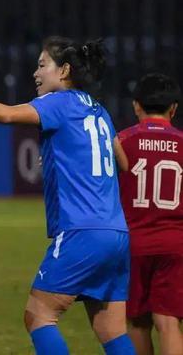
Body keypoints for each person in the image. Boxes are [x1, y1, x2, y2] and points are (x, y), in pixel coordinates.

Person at [0, 36, 136, 355]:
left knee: (39, 316)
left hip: (81, 231)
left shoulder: (59, 102)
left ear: (64, 71)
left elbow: (6, 115)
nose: (35, 72)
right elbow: (123, 163)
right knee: (111, 330)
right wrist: (68, 156)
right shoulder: (99, 110)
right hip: (116, 233)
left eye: (42, 64)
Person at [117, 73, 183, 355]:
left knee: (137, 323)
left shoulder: (122, 141)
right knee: (168, 323)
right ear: (173, 108)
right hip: (175, 244)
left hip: (133, 245)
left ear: (136, 105)